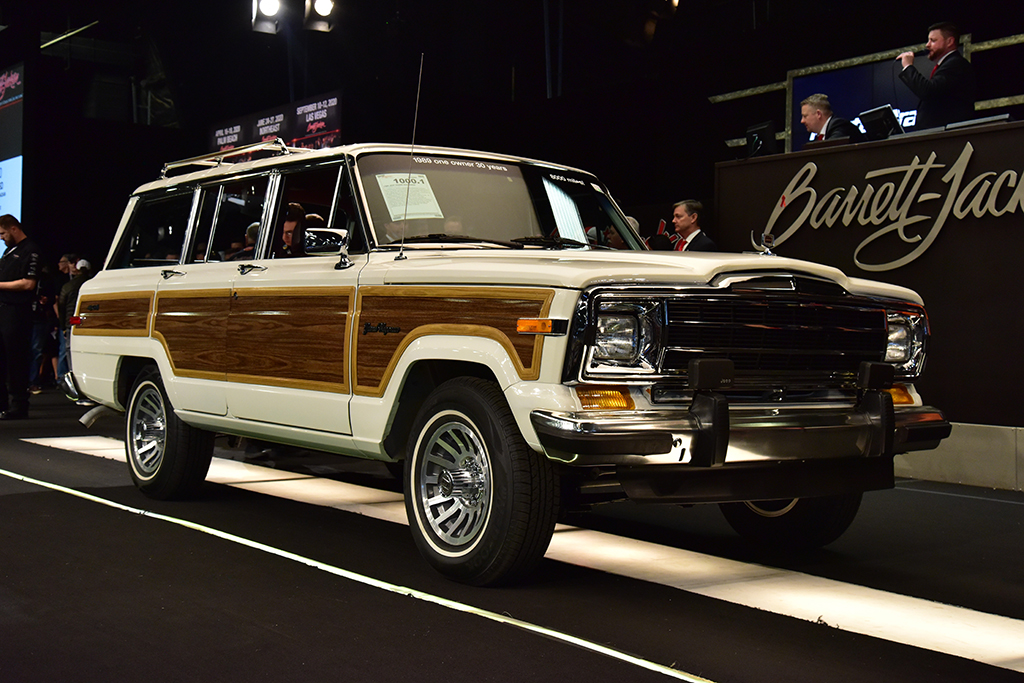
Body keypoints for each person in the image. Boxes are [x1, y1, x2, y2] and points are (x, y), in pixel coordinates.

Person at [0, 215, 42, 419]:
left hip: (17, 311)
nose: (1, 238)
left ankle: (19, 404)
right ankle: (2, 403)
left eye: (3, 233)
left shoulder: (30, 250)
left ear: (13, 228)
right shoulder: (9, 251)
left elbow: (28, 283)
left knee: (16, 358)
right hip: (4, 309)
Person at [898, 22, 977, 129]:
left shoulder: (956, 64)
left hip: (947, 135)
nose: (927, 45)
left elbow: (927, 91)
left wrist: (908, 67)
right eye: (928, 40)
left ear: (949, 41)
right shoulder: (947, 64)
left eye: (933, 41)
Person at [799, 93, 864, 143]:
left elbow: (828, 150)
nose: (802, 121)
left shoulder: (840, 126)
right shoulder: (818, 138)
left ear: (818, 114)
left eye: (805, 116)